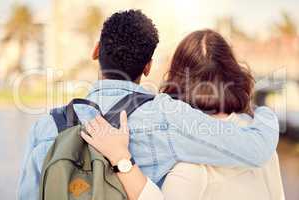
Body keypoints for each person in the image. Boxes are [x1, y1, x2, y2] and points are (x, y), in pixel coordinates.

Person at [18, 10, 279, 200]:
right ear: (148, 66)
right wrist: (264, 112)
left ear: (96, 51)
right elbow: (256, 150)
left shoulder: (48, 126)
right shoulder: (167, 115)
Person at [82, 29, 284, 200]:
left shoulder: (187, 161)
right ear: (234, 74)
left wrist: (121, 159)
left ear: (177, 79)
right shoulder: (263, 140)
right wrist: (264, 113)